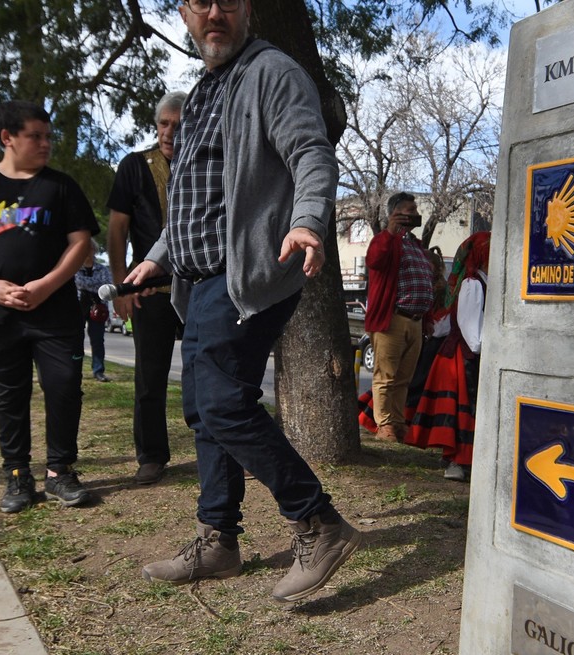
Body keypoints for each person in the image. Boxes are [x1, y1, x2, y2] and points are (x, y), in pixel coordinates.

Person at [124, 0, 363, 603]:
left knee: (225, 404)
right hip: (198, 280)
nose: (214, 12)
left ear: (247, 8)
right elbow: (192, 200)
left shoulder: (272, 74)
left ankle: (319, 523)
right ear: (183, 12)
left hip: (244, 275)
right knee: (204, 410)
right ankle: (219, 540)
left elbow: (310, 152)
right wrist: (156, 254)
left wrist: (307, 219)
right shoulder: (204, 90)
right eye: (200, 1)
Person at [0, 100, 98, 514]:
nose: (46, 144)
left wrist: (46, 285)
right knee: (9, 395)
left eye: (48, 137)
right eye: (36, 136)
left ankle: (60, 472)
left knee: (63, 388)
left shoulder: (61, 187)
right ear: (7, 138)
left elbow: (81, 242)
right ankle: (16, 475)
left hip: (55, 311)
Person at [106, 91, 186, 485]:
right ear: (156, 127)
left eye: (178, 123)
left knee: (209, 373)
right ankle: (151, 455)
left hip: (199, 288)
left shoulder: (205, 164)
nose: (170, 131)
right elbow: (117, 229)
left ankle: (218, 445)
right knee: (149, 377)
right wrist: (121, 285)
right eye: (164, 123)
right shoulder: (134, 166)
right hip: (149, 291)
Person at [405, 232, 490, 481]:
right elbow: (472, 333)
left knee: (467, 413)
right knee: (463, 413)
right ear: (483, 255)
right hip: (462, 358)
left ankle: (463, 461)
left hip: (464, 356)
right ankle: (457, 463)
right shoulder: (473, 285)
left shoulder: (482, 282)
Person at [365, 191, 435, 443]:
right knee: (385, 377)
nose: (414, 215)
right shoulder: (383, 240)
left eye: (415, 211)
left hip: (415, 321)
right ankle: (383, 426)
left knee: (403, 379)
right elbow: (374, 261)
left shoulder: (416, 244)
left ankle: (397, 424)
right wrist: (391, 231)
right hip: (392, 319)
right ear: (394, 213)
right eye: (408, 211)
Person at [75, 244, 113, 382]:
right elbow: (78, 282)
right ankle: (75, 369)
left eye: (89, 249)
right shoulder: (75, 268)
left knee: (98, 340)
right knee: (76, 339)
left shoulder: (102, 268)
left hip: (98, 308)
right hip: (78, 307)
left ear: (94, 251)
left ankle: (98, 371)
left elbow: (107, 286)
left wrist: (88, 285)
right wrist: (96, 285)